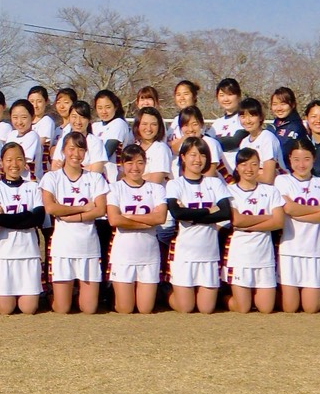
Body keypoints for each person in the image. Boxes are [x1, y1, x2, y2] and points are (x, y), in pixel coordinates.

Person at [41, 131, 108, 314]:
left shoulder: (95, 178)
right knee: (62, 309)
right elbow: (51, 208)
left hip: (88, 247)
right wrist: (84, 209)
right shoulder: (52, 178)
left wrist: (72, 215)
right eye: (71, 148)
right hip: (63, 247)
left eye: (80, 149)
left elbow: (101, 210)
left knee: (89, 309)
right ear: (63, 150)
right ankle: (50, 295)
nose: (75, 154)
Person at [164, 137, 231, 314]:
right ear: (183, 157)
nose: (198, 159)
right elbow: (177, 214)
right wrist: (209, 211)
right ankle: (164, 293)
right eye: (193, 154)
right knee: (186, 308)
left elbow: (225, 213)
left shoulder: (214, 183)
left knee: (206, 309)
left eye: (202, 154)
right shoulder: (175, 184)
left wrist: (191, 215)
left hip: (208, 254)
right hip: (184, 254)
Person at [276, 139, 320, 314]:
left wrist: (299, 212)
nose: (301, 164)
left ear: (314, 159)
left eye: (306, 159)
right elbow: (288, 208)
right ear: (289, 159)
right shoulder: (282, 180)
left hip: (314, 250)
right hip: (290, 249)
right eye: (296, 159)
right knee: (290, 308)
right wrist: (319, 210)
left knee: (311, 308)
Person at [105, 144, 167, 314]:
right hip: (123, 255)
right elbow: (114, 219)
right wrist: (147, 223)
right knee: (125, 309)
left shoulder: (156, 188)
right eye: (130, 163)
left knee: (145, 309)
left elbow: (160, 218)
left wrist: (129, 217)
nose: (135, 168)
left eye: (140, 163)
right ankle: (113, 297)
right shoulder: (114, 188)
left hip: (149, 255)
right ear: (122, 165)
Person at [0, 142, 46, 315]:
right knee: (6, 310)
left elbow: (38, 218)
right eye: (9, 160)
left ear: (25, 162)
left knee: (29, 309)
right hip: (4, 254)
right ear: (1, 162)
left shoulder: (33, 186)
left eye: (19, 159)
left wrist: (8, 219)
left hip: (29, 253)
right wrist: (26, 216)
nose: (14, 164)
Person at [225, 149, 284, 314]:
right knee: (242, 308)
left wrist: (247, 225)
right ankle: (221, 297)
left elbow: (279, 222)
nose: (249, 169)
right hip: (240, 256)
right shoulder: (230, 191)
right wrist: (267, 218)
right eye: (244, 164)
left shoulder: (270, 191)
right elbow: (236, 220)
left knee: (266, 309)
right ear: (237, 167)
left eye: (254, 164)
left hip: (264, 257)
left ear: (260, 166)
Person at [229, 98, 281, 184]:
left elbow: (268, 178)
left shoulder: (267, 138)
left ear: (260, 117)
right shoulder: (244, 142)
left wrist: (247, 175)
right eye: (243, 117)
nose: (247, 121)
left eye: (252, 116)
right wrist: (258, 172)